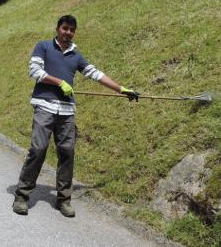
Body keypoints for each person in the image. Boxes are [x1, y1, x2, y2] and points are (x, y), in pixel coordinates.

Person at [12, 14, 139, 217]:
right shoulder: (43, 47)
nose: (68, 32)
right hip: (44, 107)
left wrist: (122, 89)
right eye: (65, 28)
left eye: (71, 30)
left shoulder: (76, 56)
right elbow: (34, 71)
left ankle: (64, 200)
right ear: (57, 28)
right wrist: (58, 82)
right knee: (38, 149)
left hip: (67, 112)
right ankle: (22, 196)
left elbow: (96, 74)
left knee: (67, 153)